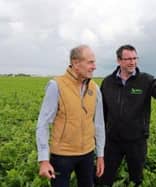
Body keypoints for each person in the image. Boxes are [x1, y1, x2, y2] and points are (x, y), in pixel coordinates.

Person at [99, 44, 156, 186]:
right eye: (128, 59)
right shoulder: (107, 82)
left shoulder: (146, 80)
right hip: (112, 141)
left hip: (136, 141)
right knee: (104, 177)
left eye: (135, 58)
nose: (132, 62)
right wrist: (99, 135)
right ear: (119, 61)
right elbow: (101, 111)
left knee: (136, 179)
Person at [36, 44, 105, 187]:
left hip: (87, 153)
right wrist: (43, 160)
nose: (94, 66)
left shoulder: (95, 88)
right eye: (90, 62)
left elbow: (99, 124)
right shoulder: (56, 85)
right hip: (62, 155)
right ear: (76, 63)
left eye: (94, 62)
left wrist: (100, 155)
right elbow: (43, 123)